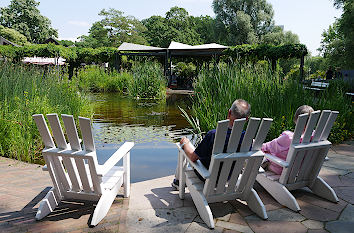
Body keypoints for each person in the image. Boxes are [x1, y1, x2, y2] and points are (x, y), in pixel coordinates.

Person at [172, 99, 251, 189]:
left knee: (184, 144)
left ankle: (178, 182)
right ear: (247, 119)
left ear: (229, 113)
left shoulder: (214, 134)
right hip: (230, 177)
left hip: (207, 176)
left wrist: (185, 143)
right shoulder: (246, 138)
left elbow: (193, 158)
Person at [261, 105, 314, 175]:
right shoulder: (315, 137)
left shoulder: (289, 138)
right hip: (300, 171)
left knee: (264, 154)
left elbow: (268, 147)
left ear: (296, 119)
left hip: (282, 170)